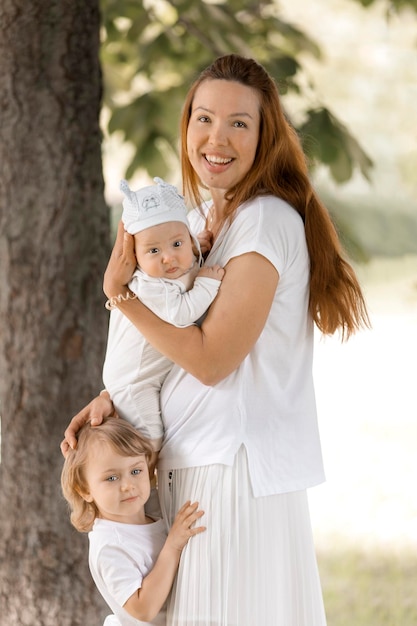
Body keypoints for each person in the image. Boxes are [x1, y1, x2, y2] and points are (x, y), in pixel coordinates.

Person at [62, 54, 370, 625]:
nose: (216, 138)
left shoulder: (266, 221)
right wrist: (118, 400)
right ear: (185, 128)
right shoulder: (195, 224)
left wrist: (120, 295)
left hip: (232, 474)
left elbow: (210, 361)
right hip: (190, 463)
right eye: (203, 118)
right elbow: (170, 343)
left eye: (238, 123)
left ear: (264, 135)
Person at [103, 177, 224, 455]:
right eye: (153, 251)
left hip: (141, 376)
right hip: (134, 382)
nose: (168, 258)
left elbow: (185, 259)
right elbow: (182, 314)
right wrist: (207, 282)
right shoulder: (148, 285)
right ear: (134, 257)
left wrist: (194, 247)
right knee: (149, 443)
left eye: (177, 244)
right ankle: (138, 490)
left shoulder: (176, 264)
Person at [61, 416, 205, 626]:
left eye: (136, 471)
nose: (128, 485)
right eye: (111, 478)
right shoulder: (109, 544)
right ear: (84, 489)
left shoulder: (151, 508)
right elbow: (143, 609)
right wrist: (173, 545)